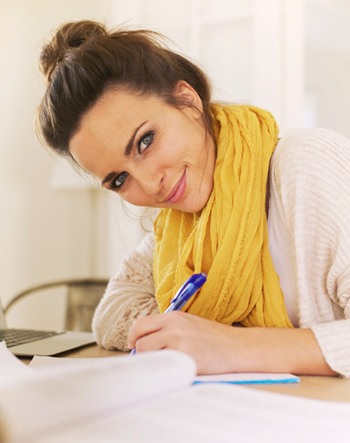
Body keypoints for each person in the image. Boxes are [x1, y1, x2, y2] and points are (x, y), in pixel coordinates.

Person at [37, 20, 350, 377]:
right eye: (120, 179)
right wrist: (187, 336)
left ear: (188, 100)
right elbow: (112, 310)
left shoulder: (305, 163)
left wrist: (228, 345)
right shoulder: (181, 223)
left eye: (145, 141)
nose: (151, 184)